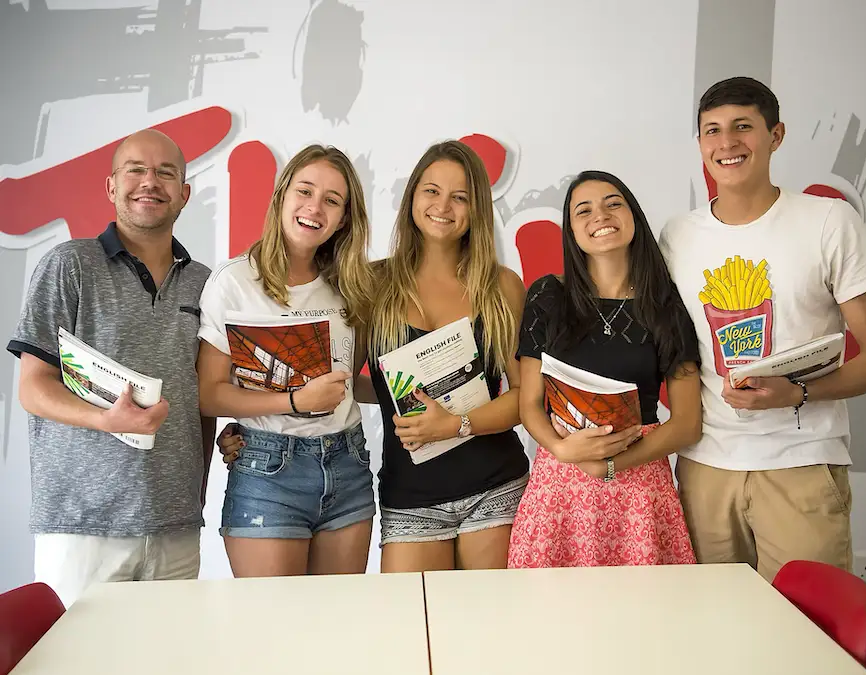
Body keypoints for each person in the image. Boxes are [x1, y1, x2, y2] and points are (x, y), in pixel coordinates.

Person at [659, 76, 866, 582]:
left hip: (802, 465)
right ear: (700, 143)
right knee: (718, 640)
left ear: (777, 135)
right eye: (712, 131)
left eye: (743, 127)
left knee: (811, 640)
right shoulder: (676, 236)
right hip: (705, 467)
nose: (727, 143)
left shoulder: (828, 222)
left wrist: (797, 392)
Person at [8, 129, 215, 607]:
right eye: (136, 170)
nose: (150, 182)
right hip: (83, 525)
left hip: (176, 524)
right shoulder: (69, 265)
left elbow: (203, 396)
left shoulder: (205, 283)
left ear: (184, 193)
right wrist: (105, 418)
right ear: (111, 187)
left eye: (166, 173)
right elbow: (33, 388)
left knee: (168, 660)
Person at [197, 144, 376, 577]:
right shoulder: (234, 281)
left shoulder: (353, 286)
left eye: (332, 200)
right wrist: (294, 402)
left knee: (338, 627)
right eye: (305, 191)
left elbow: (350, 383)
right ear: (281, 196)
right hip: (267, 471)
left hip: (348, 463)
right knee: (272, 633)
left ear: (345, 218)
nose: (315, 207)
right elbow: (209, 394)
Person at [507, 170, 701, 568]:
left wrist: (610, 465)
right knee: (549, 615)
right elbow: (529, 404)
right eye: (584, 210)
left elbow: (687, 424)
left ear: (633, 217)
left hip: (641, 488)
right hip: (559, 485)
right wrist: (563, 449)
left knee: (648, 618)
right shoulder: (547, 296)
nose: (600, 215)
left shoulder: (665, 305)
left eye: (613, 203)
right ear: (572, 231)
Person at [368, 140, 529, 572]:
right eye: (431, 191)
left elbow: (526, 398)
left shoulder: (502, 286)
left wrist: (455, 425)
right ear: (412, 197)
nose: (444, 205)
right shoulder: (372, 283)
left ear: (476, 208)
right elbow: (365, 384)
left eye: (460, 196)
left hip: (497, 489)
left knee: (495, 634)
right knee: (412, 633)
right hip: (410, 497)